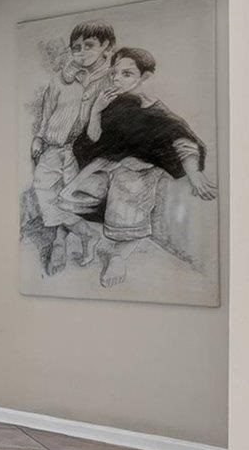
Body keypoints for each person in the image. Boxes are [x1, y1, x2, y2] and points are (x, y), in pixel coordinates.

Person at [58, 46, 216, 286]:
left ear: (145, 77)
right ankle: (89, 235)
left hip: (142, 168)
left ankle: (119, 256)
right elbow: (93, 140)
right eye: (115, 73)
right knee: (74, 194)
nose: (117, 79)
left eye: (127, 74)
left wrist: (194, 174)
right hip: (107, 163)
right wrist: (96, 112)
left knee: (128, 192)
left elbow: (182, 141)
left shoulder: (156, 110)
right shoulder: (112, 104)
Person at [28, 20, 115, 274]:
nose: (82, 52)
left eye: (89, 46)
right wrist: (39, 137)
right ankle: (85, 234)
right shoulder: (61, 79)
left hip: (83, 150)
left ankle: (62, 241)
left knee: (67, 197)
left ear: (105, 46)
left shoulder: (109, 80)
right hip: (55, 146)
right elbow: (47, 111)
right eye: (76, 48)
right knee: (43, 189)